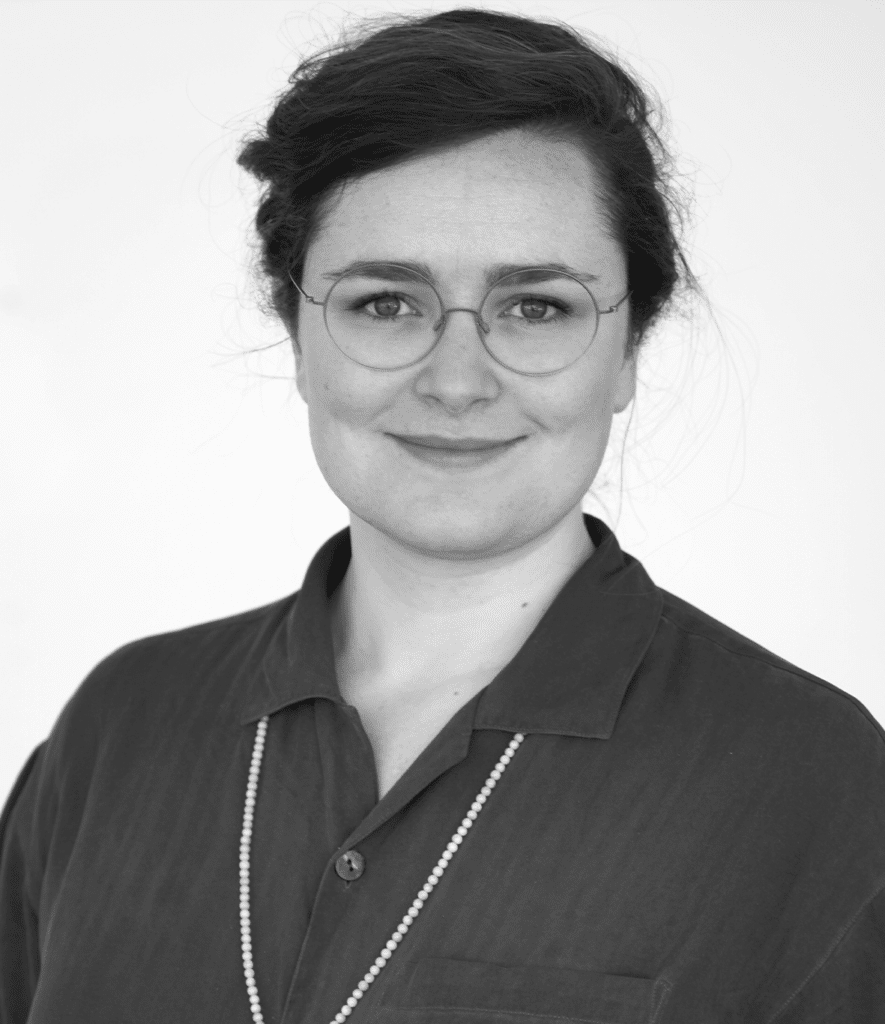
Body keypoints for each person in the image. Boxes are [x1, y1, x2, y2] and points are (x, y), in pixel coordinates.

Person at [1, 7, 883, 1023]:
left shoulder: (809, 779)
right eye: (386, 302)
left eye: (537, 305)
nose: (458, 380)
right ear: (298, 334)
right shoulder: (117, 731)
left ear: (630, 347)